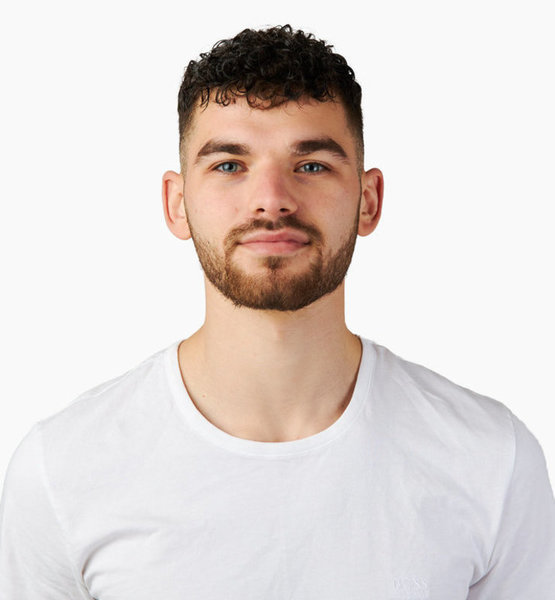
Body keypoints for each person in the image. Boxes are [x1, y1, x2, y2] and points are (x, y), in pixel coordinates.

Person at [0, 24, 553, 600]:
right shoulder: (61, 471)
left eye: (311, 165)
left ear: (368, 201)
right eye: (229, 165)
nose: (271, 200)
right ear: (176, 204)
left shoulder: (491, 460)